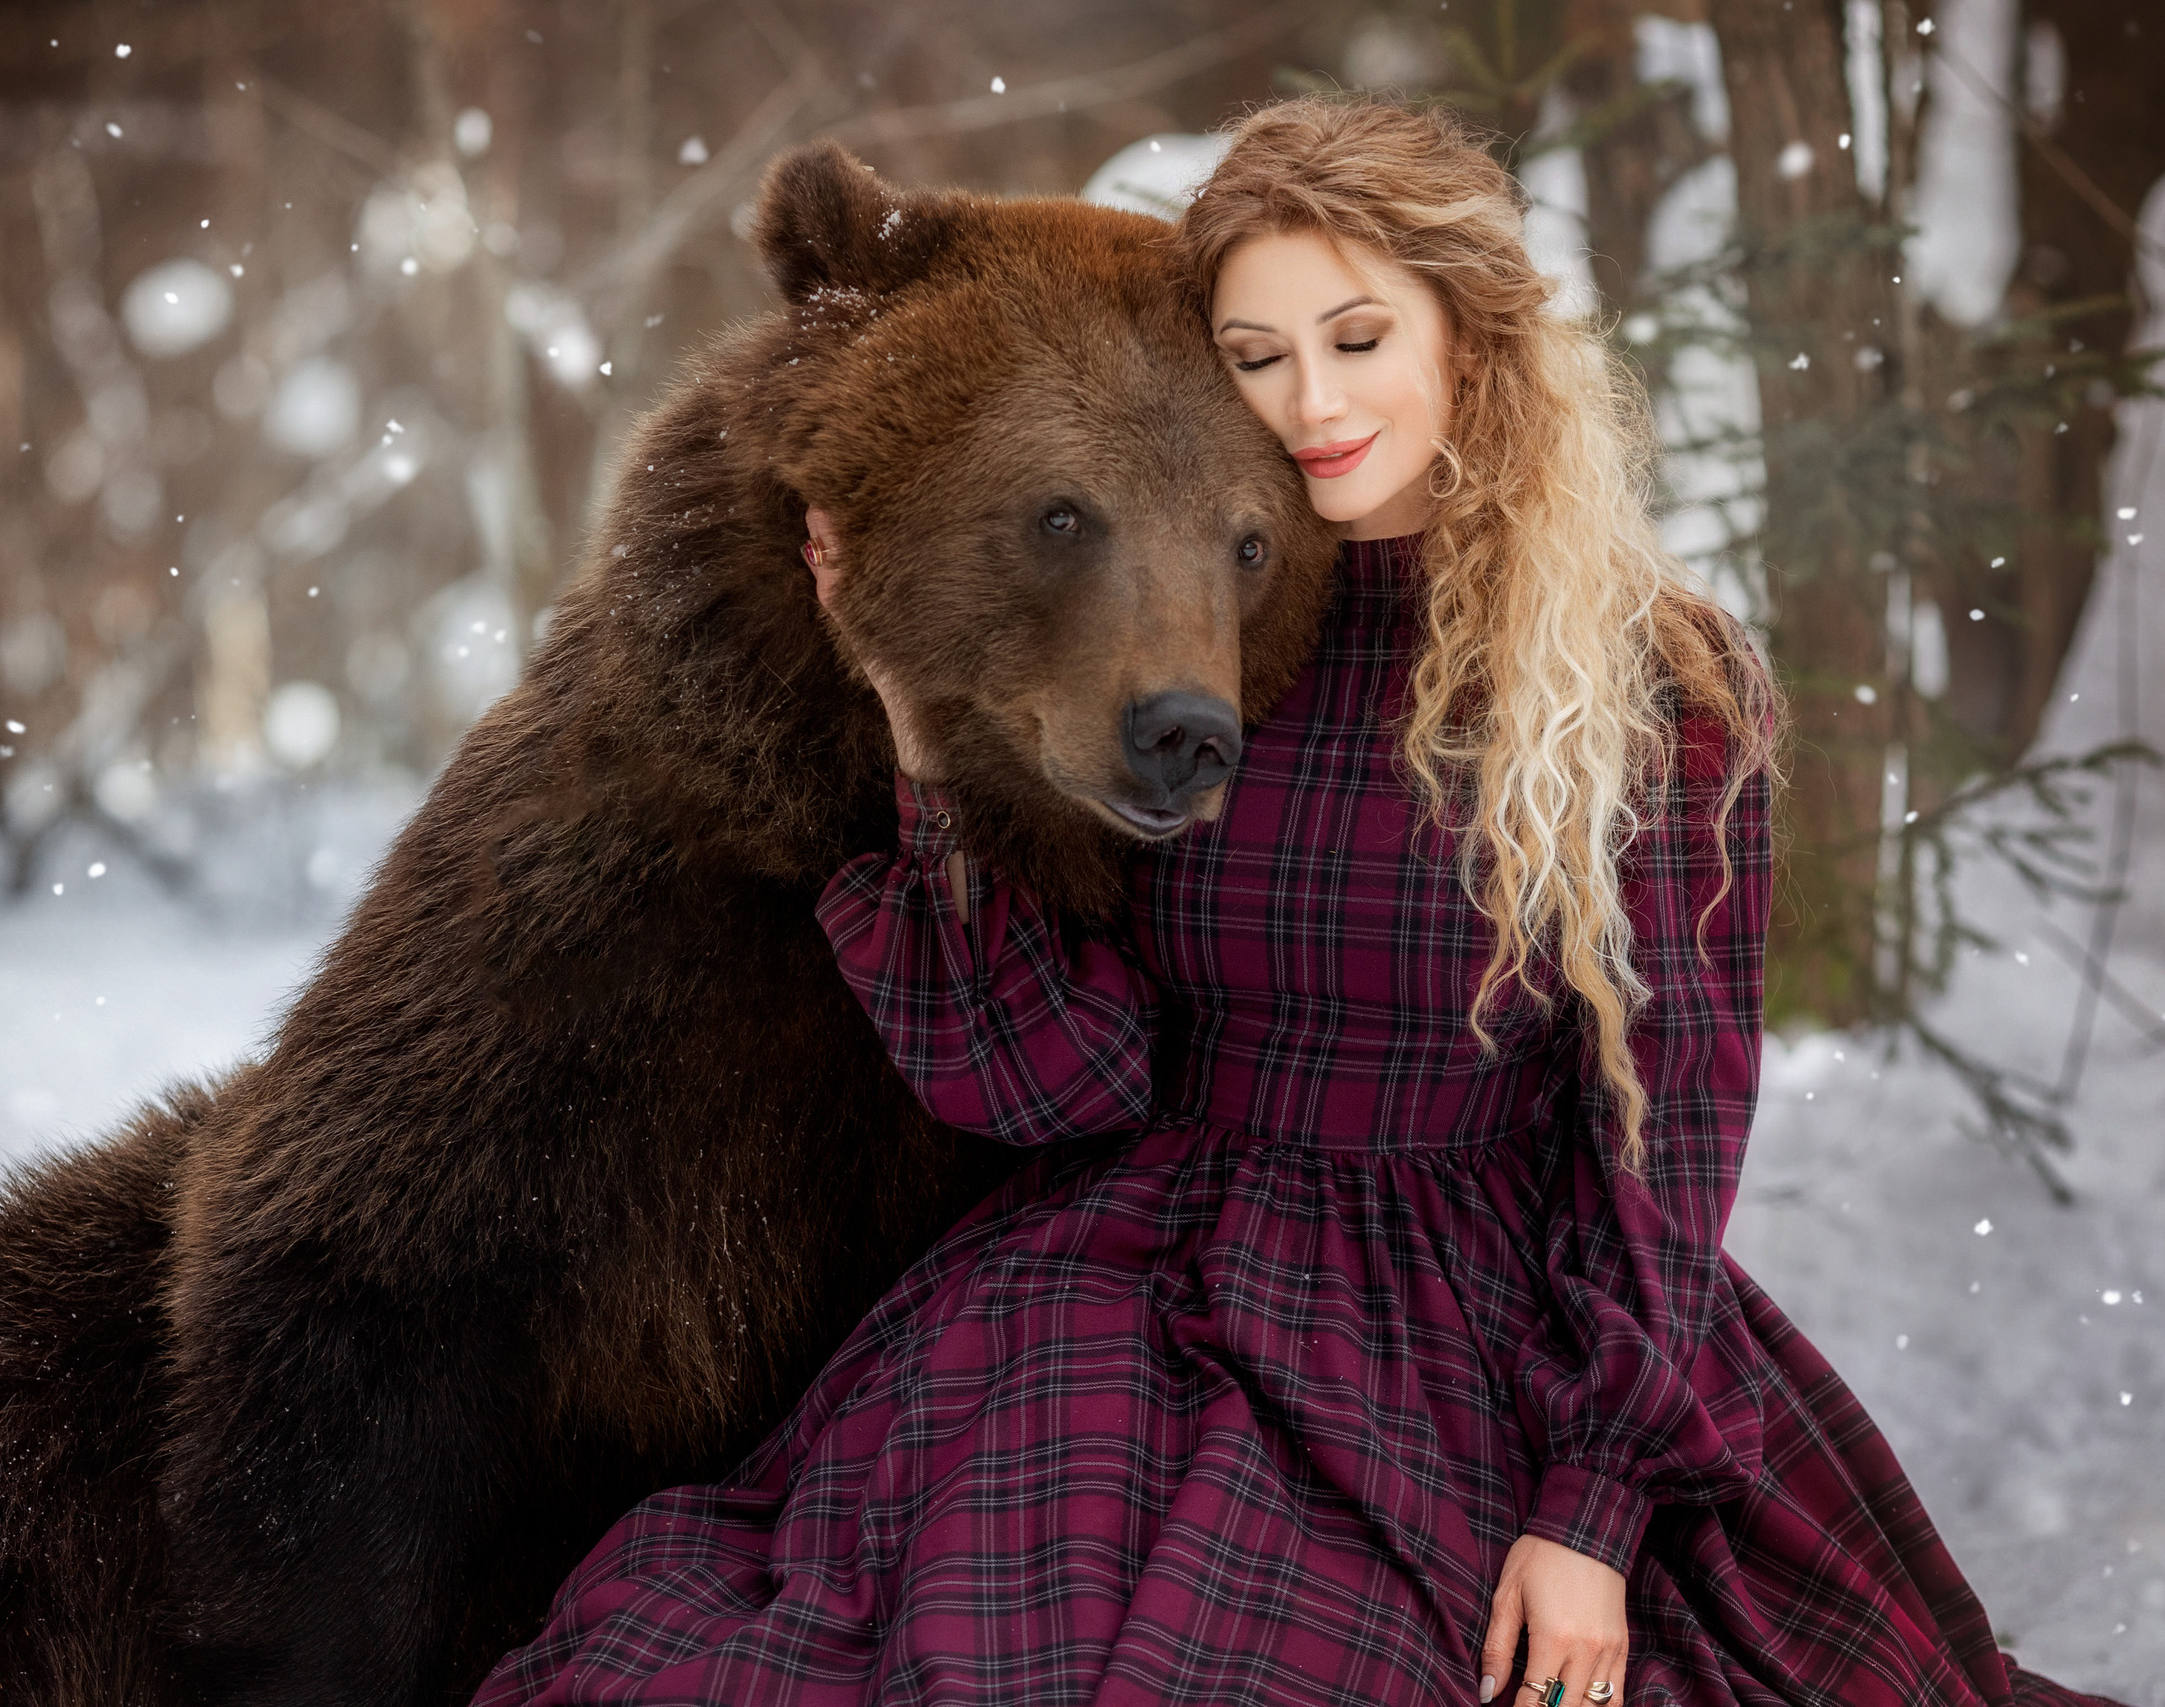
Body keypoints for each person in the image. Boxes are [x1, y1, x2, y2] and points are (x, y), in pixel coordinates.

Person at [471, 96, 2125, 1707]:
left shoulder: (1653, 682)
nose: (1309, 400)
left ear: (1467, 334)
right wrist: (912, 715)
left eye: (1355, 337)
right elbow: (1057, 1084)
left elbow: (1662, 1142)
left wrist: (1593, 1511)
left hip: (1467, 1338)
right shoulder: (1218, 644)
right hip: (1125, 1285)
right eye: (1255, 354)